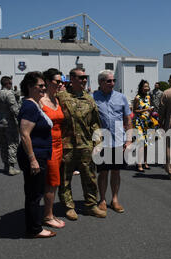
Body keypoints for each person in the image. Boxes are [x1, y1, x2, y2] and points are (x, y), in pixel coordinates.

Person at [57, 68, 106, 220]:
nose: (84, 80)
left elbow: (95, 124)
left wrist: (98, 143)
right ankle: (68, 207)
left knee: (89, 176)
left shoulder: (89, 99)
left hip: (86, 145)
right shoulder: (61, 97)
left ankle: (91, 205)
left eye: (85, 77)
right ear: (71, 79)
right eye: (80, 77)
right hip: (67, 145)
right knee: (65, 178)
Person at [17, 71, 56, 239]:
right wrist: (33, 160)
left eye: (44, 85)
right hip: (35, 156)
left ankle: (33, 225)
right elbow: (25, 134)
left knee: (34, 192)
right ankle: (34, 229)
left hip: (40, 154)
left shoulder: (35, 104)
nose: (43, 88)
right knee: (34, 194)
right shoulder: (30, 106)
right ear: (29, 87)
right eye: (40, 86)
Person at [93, 70, 132, 213]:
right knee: (103, 172)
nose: (112, 83)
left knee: (116, 172)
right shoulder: (93, 98)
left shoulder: (121, 98)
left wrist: (128, 140)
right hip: (102, 142)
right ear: (101, 82)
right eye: (108, 81)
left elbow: (128, 120)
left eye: (113, 80)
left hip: (118, 141)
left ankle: (115, 199)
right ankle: (102, 199)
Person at [40, 69, 66, 228]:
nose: (61, 84)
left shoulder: (57, 100)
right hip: (47, 145)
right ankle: (47, 215)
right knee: (51, 181)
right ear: (48, 82)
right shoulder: (40, 101)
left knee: (55, 181)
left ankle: (49, 212)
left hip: (59, 145)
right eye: (57, 81)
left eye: (61, 81)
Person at [0, 76, 21, 176]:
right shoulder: (9, 94)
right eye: (11, 83)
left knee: (3, 145)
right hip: (9, 123)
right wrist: (20, 119)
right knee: (12, 144)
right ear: (8, 84)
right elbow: (14, 109)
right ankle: (11, 167)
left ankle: (5, 166)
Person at [132, 80, 158, 171]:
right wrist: (145, 110)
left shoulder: (148, 97)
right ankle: (139, 164)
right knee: (140, 143)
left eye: (148, 86)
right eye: (145, 86)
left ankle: (145, 162)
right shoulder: (137, 98)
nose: (147, 88)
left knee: (146, 143)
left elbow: (149, 108)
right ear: (141, 88)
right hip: (139, 122)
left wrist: (151, 112)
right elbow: (134, 111)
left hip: (147, 122)